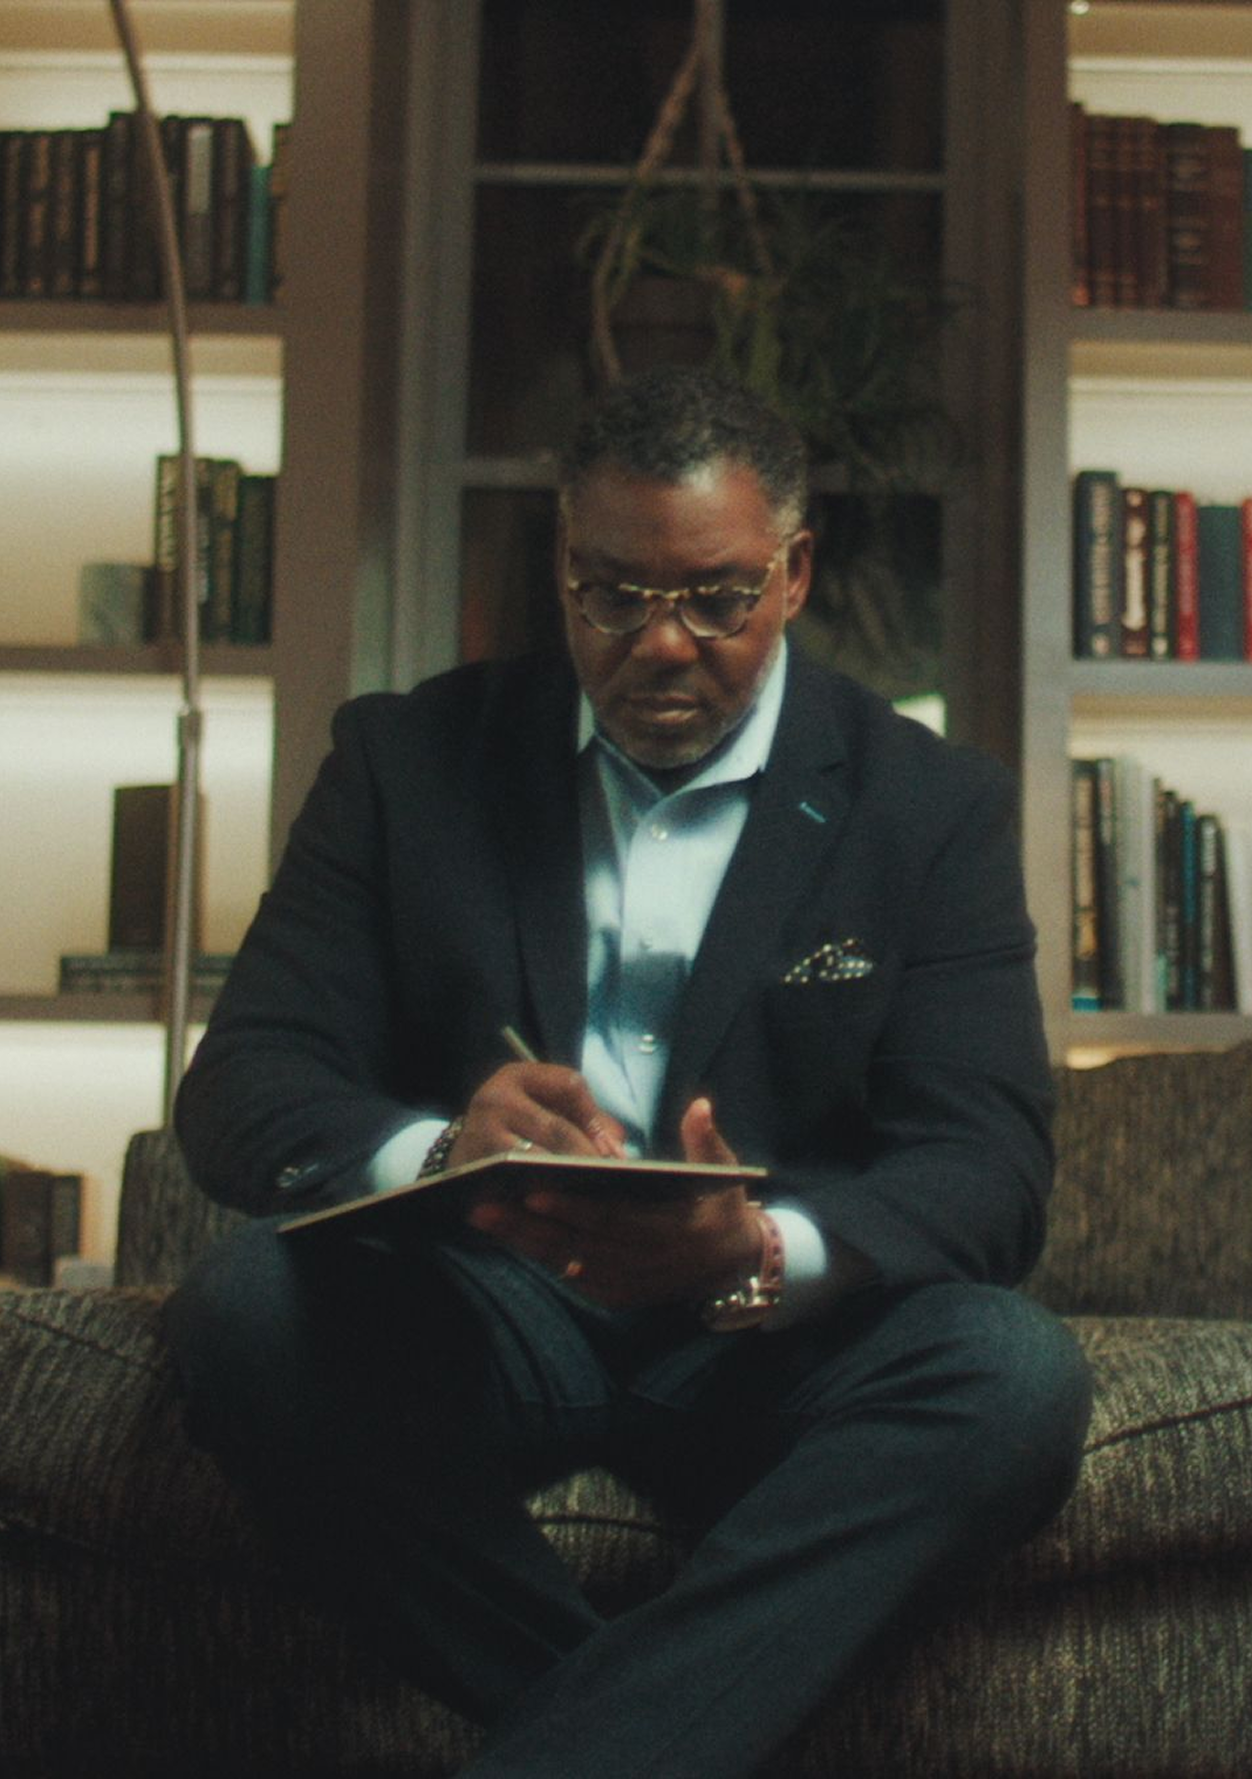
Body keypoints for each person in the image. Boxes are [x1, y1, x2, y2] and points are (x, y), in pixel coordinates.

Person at [166, 367, 1092, 1777]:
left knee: (1012, 1377)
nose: (661, 643)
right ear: (560, 565)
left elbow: (988, 1164)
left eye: (715, 597)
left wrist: (764, 1245)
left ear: (792, 573)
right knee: (243, 1307)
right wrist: (438, 1149)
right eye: (610, 592)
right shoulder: (407, 760)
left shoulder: (926, 805)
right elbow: (245, 1081)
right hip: (489, 1313)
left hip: (762, 1342)